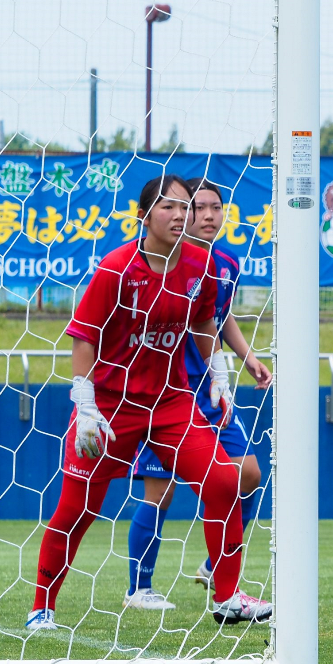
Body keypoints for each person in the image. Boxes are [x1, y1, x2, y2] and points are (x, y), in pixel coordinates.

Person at [27, 174, 270, 631]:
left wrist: (218, 371)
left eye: (186, 207)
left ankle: (228, 596)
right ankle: (42, 607)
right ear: (144, 216)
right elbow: (83, 338)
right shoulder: (116, 268)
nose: (181, 215)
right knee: (77, 511)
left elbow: (204, 322)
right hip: (110, 407)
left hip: (171, 402)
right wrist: (85, 405)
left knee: (223, 480)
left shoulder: (200, 265)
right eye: (168, 207)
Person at [124, 177, 273, 611]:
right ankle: (139, 588)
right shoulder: (155, 262)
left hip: (212, 389)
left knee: (247, 474)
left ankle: (215, 566)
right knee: (161, 491)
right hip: (166, 392)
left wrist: (246, 358)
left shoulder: (226, 263)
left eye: (215, 208)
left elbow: (217, 318)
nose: (207, 216)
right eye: (198, 207)